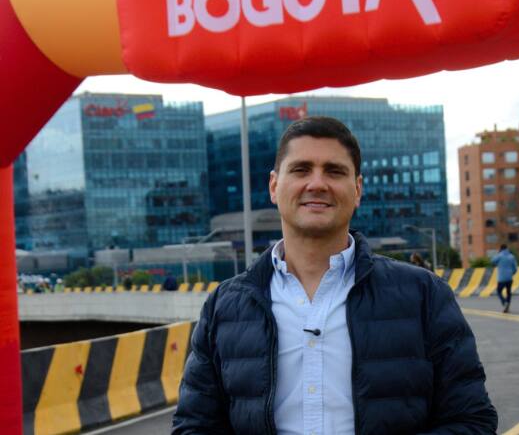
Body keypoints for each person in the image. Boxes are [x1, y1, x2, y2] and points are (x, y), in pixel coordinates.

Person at [173, 117, 497, 434]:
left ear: (357, 190)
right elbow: (194, 426)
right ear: (274, 186)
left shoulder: (424, 294)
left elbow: (472, 420)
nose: (317, 184)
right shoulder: (224, 307)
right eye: (301, 170)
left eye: (334, 171)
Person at [491, 244, 517, 313]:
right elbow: (515, 268)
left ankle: (504, 302)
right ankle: (508, 305)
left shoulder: (499, 256)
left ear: (501, 249)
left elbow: (492, 261)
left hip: (501, 278)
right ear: (507, 248)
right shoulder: (512, 256)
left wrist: (498, 254)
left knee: (499, 291)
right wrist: (511, 273)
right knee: (508, 292)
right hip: (509, 278)